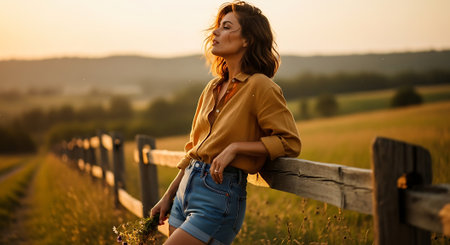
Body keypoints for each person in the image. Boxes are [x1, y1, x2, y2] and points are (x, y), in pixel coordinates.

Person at [150, 1, 301, 244]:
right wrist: (169, 195)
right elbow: (194, 151)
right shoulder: (212, 88)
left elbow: (289, 142)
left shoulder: (260, 86)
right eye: (217, 27)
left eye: (226, 27)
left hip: (218, 196)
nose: (215, 33)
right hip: (184, 191)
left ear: (247, 40)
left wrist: (236, 148)